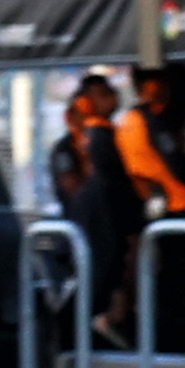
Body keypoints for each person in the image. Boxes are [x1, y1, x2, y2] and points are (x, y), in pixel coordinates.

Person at [47, 75, 145, 342]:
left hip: (110, 232)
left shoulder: (108, 138)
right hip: (81, 236)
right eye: (103, 94)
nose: (112, 100)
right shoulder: (70, 147)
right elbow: (74, 187)